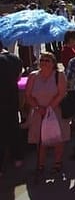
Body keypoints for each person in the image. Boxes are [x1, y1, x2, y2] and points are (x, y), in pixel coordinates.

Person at [26, 52, 71, 178]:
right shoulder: (33, 76)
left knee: (57, 138)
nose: (44, 62)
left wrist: (49, 108)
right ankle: (40, 164)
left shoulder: (59, 75)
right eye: (42, 60)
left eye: (47, 60)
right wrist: (38, 107)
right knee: (40, 140)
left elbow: (62, 93)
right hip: (38, 112)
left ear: (53, 63)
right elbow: (28, 95)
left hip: (55, 111)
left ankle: (57, 163)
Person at [0, 41, 24, 176]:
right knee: (14, 128)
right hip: (12, 98)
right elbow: (18, 76)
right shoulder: (15, 58)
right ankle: (18, 157)